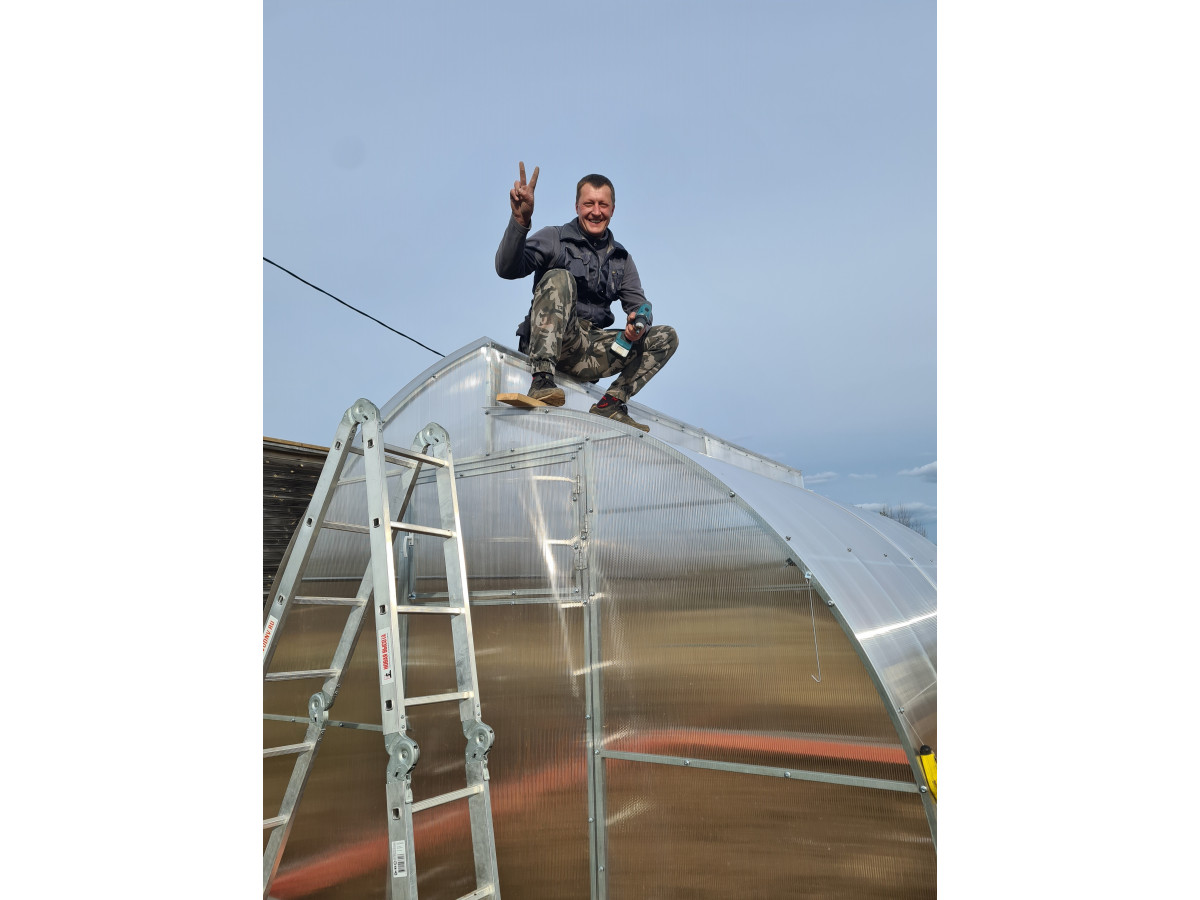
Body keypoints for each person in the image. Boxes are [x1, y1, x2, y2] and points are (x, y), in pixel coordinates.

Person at [495, 162, 679, 433]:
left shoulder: (621, 259)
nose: (596, 211)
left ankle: (611, 404)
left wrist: (638, 325)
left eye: (603, 205)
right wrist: (520, 222)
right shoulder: (555, 238)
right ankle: (542, 380)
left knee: (666, 337)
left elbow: (639, 306)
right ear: (577, 207)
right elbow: (507, 269)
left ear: (612, 210)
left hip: (591, 352)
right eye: (589, 204)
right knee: (560, 277)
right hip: (554, 340)